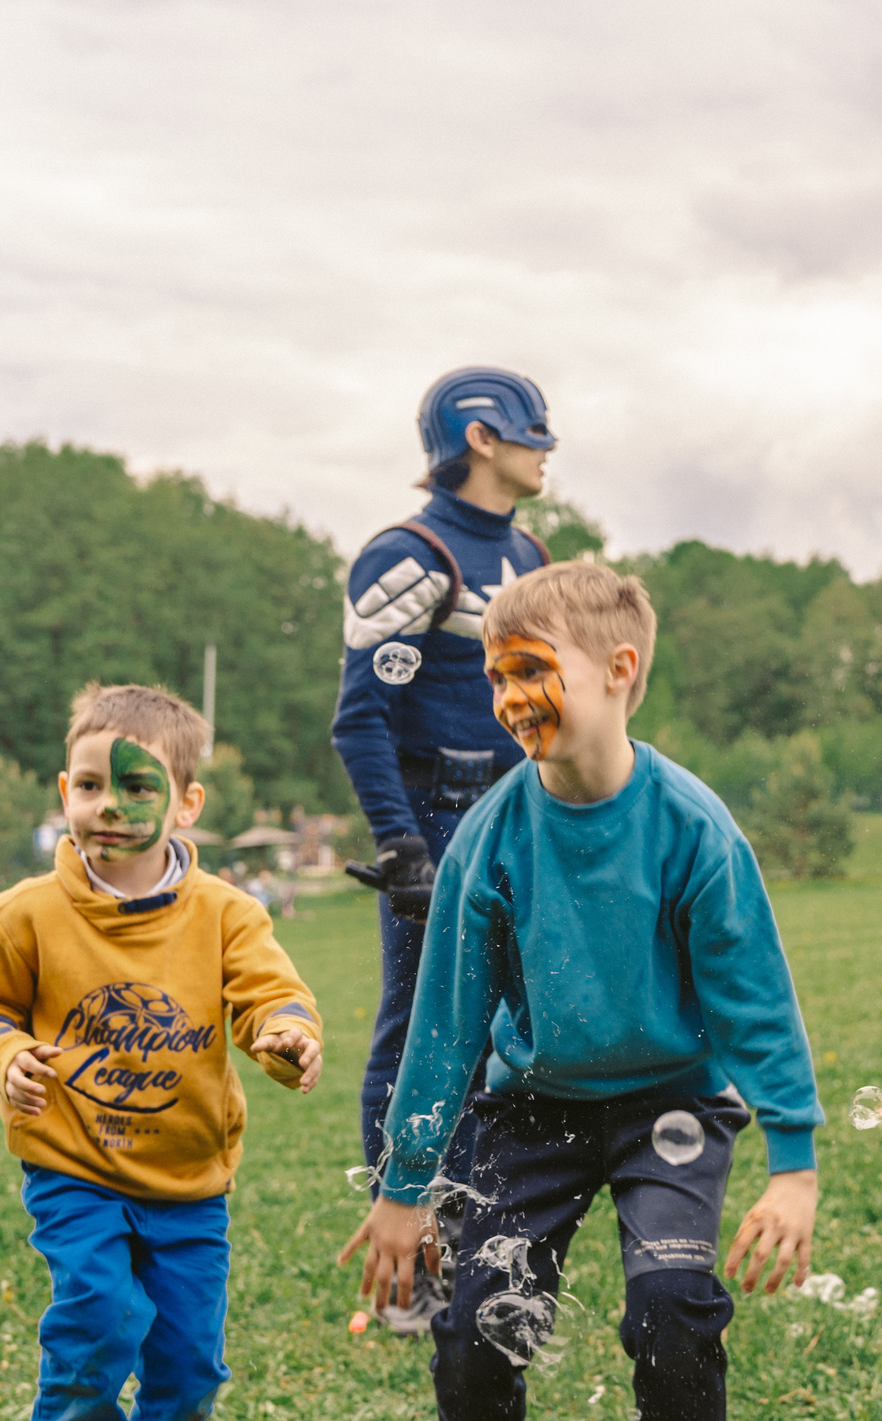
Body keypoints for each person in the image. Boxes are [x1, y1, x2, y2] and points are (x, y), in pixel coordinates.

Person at [336, 563, 823, 1421]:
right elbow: (445, 1025)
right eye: (495, 677)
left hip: (671, 1104)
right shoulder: (490, 837)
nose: (509, 698)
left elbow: (755, 1002)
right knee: (472, 1322)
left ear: (618, 669)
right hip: (533, 1112)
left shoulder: (691, 826)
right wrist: (405, 1188)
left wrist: (792, 1164)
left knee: (673, 1305)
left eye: (530, 671)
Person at [0, 684, 323, 1421]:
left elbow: (271, 993)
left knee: (189, 1359)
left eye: (136, 787)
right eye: (87, 785)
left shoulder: (226, 913)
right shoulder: (25, 913)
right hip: (74, 1167)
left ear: (186, 802)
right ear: (62, 790)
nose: (108, 806)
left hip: (190, 1181)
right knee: (99, 1316)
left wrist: (286, 1033)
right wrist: (2, 1055)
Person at [329, 365, 555, 1334]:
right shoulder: (406, 556)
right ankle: (412, 1265)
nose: (548, 448)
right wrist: (402, 844)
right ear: (482, 437)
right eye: (534, 431)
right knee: (421, 1033)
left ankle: (492, 1252)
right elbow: (361, 718)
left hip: (520, 809)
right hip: (437, 812)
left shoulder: (532, 552)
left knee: (516, 1034)